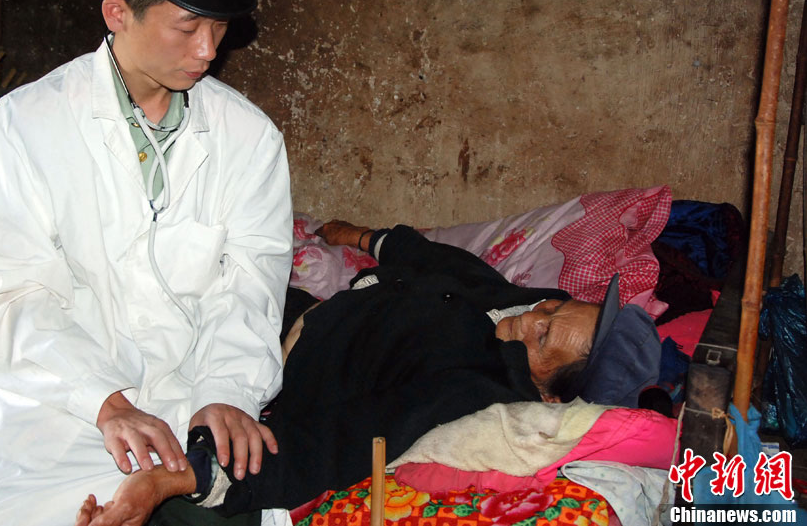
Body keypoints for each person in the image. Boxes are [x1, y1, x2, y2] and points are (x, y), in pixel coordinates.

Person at [0, 0, 292, 525]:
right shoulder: (26, 126)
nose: (208, 49)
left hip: (192, 411)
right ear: (118, 14)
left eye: (219, 28)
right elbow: (10, 300)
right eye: (187, 27)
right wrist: (104, 399)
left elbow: (251, 289)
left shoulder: (249, 137)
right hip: (62, 418)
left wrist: (224, 394)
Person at [75, 221, 663, 526]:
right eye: (556, 305)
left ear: (546, 392)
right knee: (143, 280)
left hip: (272, 362)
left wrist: (171, 482)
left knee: (125, 336)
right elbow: (433, 257)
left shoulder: (468, 386)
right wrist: (356, 236)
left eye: (543, 334)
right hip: (296, 307)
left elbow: (340, 442)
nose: (533, 314)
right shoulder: (513, 302)